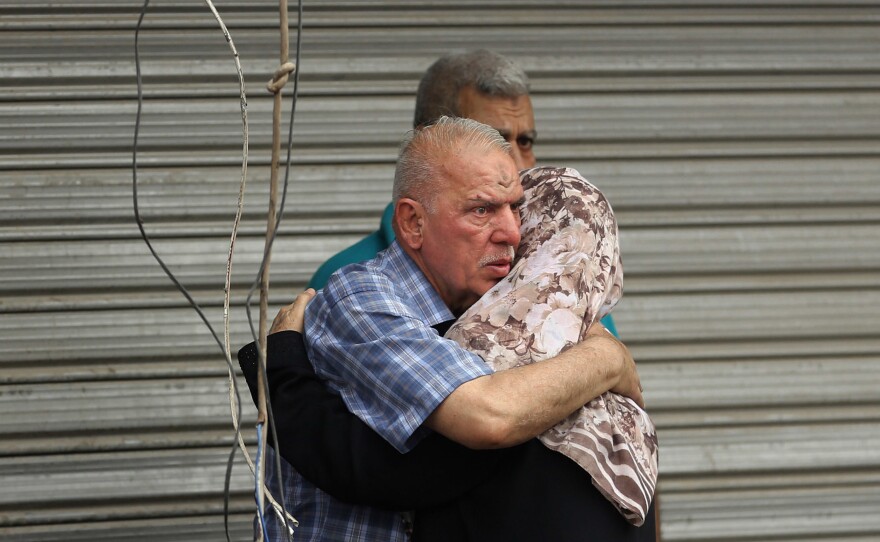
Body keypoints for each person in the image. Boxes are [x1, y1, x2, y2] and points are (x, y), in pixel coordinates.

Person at [242, 117, 655, 541]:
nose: (512, 233)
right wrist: (606, 360)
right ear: (413, 224)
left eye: (515, 207)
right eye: (482, 209)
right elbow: (489, 419)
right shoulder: (360, 297)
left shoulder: (502, 310)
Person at [305, 49, 618, 336]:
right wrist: (605, 361)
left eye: (525, 142)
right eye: (492, 140)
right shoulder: (346, 287)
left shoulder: (561, 272)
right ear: (430, 139)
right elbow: (473, 400)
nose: (517, 164)